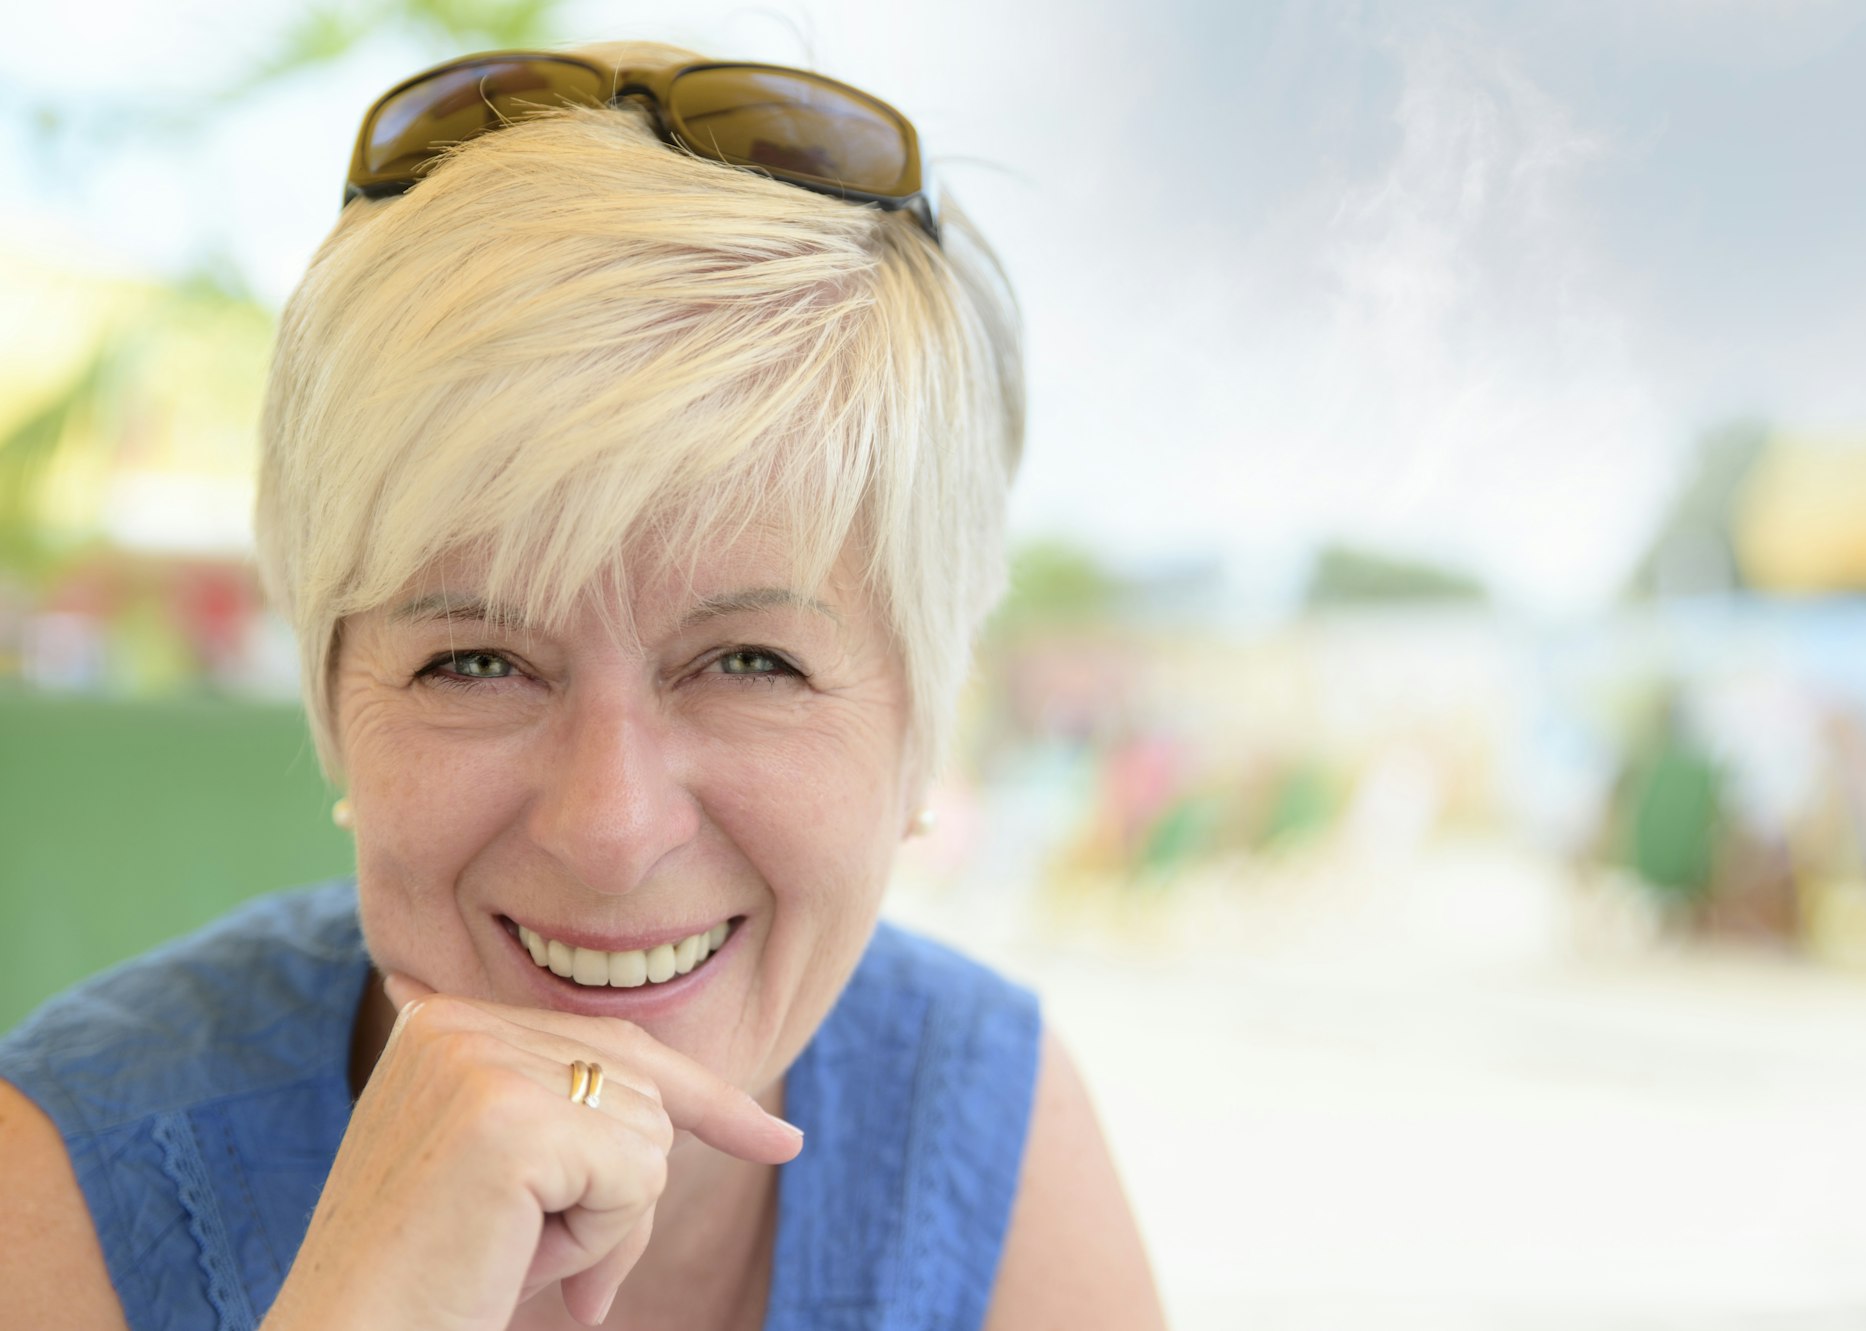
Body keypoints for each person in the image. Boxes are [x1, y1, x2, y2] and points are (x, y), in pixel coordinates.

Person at [0, 39, 1166, 1330]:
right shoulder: (60, 1173)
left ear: (916, 731)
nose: (610, 832)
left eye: (749, 663)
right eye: (477, 662)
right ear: (336, 708)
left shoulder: (982, 1122)